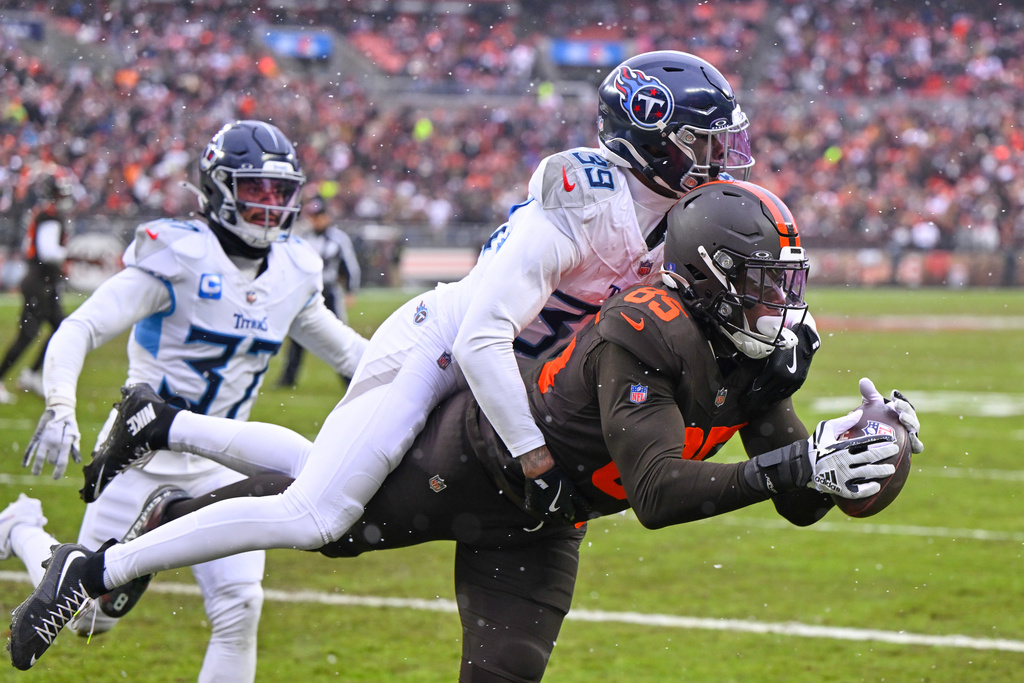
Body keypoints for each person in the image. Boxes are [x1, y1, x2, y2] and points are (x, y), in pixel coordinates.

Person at [6, 181, 923, 680]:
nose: (784, 301)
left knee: (505, 672)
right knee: (323, 519)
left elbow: (796, 497)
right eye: (765, 280)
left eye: (785, 280)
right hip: (474, 447)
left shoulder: (763, 349)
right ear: (711, 275)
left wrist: (860, 458)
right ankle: (116, 545)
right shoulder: (645, 326)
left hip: (545, 513)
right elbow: (659, 493)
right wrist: (799, 462)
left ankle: (167, 437)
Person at [6, 120, 368, 682]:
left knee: (240, 609)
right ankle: (21, 529)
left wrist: (436, 370)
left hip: (227, 462)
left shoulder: (294, 272)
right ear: (219, 188)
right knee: (88, 618)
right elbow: (79, 328)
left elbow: (355, 357)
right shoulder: (179, 254)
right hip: (138, 454)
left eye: (280, 192)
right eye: (255, 190)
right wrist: (59, 404)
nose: (271, 206)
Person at [0, 174, 74, 404]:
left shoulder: (45, 214)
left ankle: (31, 374)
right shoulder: (49, 217)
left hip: (44, 282)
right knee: (28, 333)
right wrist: (69, 253)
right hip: (39, 283)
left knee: (61, 328)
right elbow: (48, 251)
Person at [276, 197, 361, 388]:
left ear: (326, 216)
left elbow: (349, 266)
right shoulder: (304, 238)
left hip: (329, 292)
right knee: (298, 335)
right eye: (313, 217)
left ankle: (350, 379)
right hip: (307, 292)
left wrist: (350, 290)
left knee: (338, 335)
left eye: (319, 216)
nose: (316, 221)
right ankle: (288, 378)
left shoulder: (338, 238)